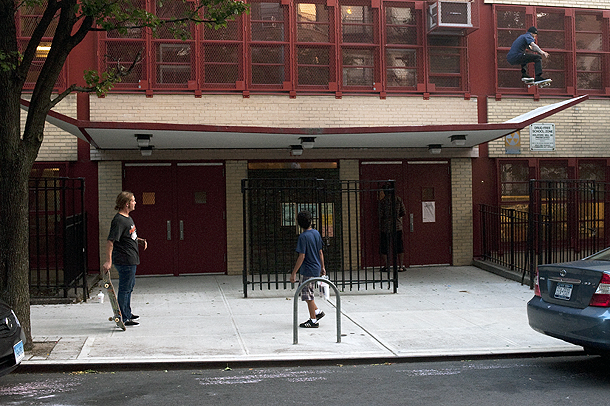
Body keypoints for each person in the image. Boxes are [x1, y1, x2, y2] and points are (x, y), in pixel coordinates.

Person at [102, 191, 147, 326]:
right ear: (127, 204)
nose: (135, 203)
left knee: (130, 287)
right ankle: (123, 316)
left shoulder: (127, 218)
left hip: (131, 258)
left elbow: (127, 236)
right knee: (125, 288)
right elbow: (111, 241)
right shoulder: (119, 220)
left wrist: (139, 240)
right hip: (124, 259)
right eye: (133, 200)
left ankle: (127, 312)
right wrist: (108, 261)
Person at [290, 210, 326, 328]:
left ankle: (313, 320)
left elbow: (302, 256)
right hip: (316, 267)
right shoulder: (316, 233)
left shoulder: (303, 237)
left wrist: (294, 272)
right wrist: (323, 267)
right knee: (306, 293)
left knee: (308, 295)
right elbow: (320, 252)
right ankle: (317, 312)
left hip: (308, 269)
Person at [379, 183, 407, 272]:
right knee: (399, 246)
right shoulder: (398, 199)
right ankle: (401, 266)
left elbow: (380, 214)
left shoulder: (383, 201)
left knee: (385, 246)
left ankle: (387, 266)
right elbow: (404, 212)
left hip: (386, 227)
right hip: (397, 226)